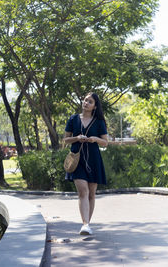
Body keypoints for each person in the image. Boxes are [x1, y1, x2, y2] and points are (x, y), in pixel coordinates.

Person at [63, 92, 108, 235]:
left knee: (91, 194)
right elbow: (65, 140)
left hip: (94, 159)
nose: (86, 103)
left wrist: (95, 139)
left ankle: (88, 222)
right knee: (83, 191)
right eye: (85, 100)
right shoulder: (73, 119)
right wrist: (77, 138)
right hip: (77, 159)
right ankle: (85, 224)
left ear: (95, 106)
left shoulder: (99, 121)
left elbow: (105, 143)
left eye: (90, 102)